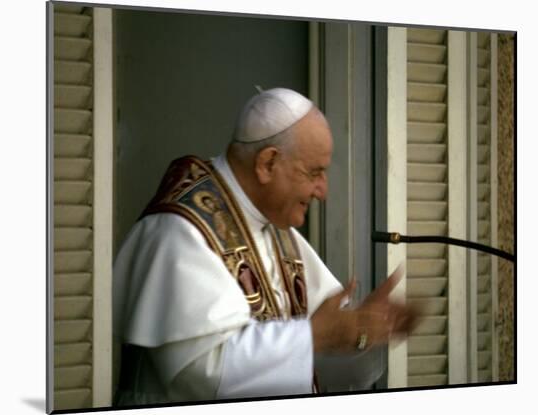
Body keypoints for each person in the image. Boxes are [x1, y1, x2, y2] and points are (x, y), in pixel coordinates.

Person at [112, 87, 418, 406]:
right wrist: (315, 336)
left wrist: (363, 332)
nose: (323, 191)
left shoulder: (277, 232)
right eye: (314, 172)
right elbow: (200, 375)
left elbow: (318, 367)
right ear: (268, 163)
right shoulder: (178, 231)